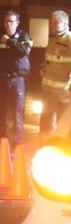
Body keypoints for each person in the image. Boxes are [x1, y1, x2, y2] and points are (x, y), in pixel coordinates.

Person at [0, 10, 32, 154]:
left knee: (17, 115)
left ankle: (16, 147)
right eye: (6, 21)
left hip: (17, 79)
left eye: (11, 21)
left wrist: (9, 42)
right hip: (2, 79)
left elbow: (24, 51)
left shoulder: (23, 36)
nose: (8, 24)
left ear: (17, 23)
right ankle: (0, 147)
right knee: (1, 114)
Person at [39, 10, 71, 138]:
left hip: (63, 93)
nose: (53, 25)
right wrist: (43, 68)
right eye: (51, 23)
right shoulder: (52, 40)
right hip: (48, 91)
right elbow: (49, 60)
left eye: (56, 22)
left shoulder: (69, 39)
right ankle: (44, 145)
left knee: (63, 126)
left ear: (65, 23)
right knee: (46, 124)